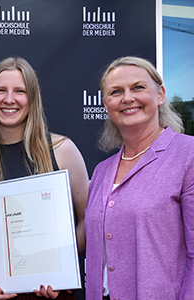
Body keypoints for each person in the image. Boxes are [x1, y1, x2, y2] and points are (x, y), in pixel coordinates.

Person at [0, 57, 89, 299]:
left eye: (20, 91)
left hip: (53, 291)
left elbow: (89, 219)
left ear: (33, 99)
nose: (9, 99)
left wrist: (60, 265)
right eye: (0, 91)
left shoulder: (63, 150)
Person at [85, 56, 193, 300]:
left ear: (160, 94)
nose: (127, 98)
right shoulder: (102, 170)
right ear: (105, 104)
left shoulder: (188, 156)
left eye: (138, 87)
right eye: (116, 92)